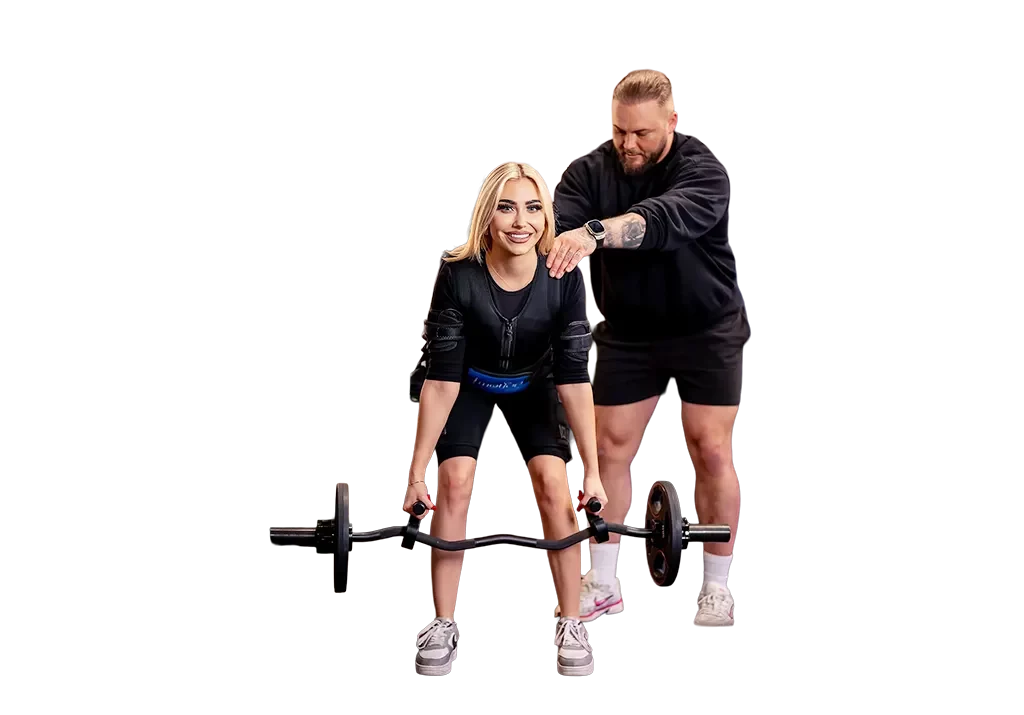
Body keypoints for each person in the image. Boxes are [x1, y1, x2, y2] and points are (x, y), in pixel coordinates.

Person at [548, 68, 749, 628]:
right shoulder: (590, 172)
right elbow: (554, 229)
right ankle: (603, 583)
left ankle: (716, 587)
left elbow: (660, 221)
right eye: (620, 131)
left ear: (672, 122)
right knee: (606, 448)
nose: (629, 144)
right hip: (629, 331)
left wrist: (594, 235)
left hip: (705, 328)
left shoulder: (702, 170)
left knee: (710, 447)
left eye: (641, 133)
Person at [405, 161, 609, 676]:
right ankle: (442, 623)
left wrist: (594, 473)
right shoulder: (459, 275)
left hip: (532, 385)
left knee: (553, 482)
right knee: (454, 480)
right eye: (507, 207)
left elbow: (574, 380)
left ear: (546, 217)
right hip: (469, 383)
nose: (522, 221)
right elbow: (442, 380)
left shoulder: (563, 277)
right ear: (487, 216)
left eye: (534, 208)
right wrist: (415, 475)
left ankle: (571, 621)